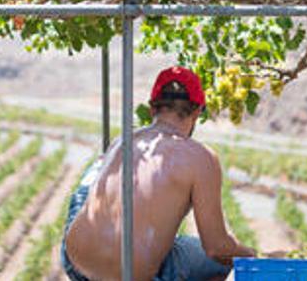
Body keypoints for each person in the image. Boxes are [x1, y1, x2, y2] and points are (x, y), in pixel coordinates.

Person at [63, 66, 257, 281]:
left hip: (76, 262)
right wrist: (254, 256)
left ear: (152, 108)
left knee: (92, 178)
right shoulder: (201, 158)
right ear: (197, 111)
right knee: (215, 264)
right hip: (130, 276)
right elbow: (216, 248)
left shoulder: (123, 140)